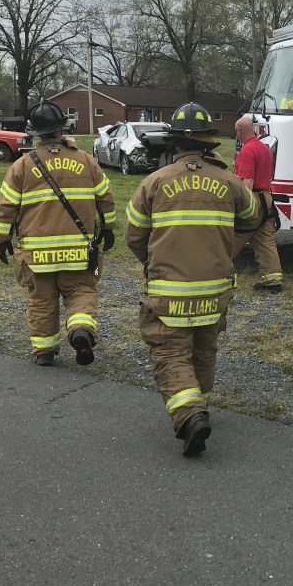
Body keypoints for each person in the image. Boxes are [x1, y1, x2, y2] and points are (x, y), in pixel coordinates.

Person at [124, 102, 260, 456]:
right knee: (204, 349)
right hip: (215, 291)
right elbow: (251, 218)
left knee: (170, 353)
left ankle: (190, 413)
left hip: (169, 290)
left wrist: (155, 262)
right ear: (207, 144)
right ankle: (200, 404)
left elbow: (134, 235)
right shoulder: (229, 182)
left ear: (175, 144)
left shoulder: (153, 183)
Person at [0, 100, 116, 366]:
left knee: (41, 301)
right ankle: (80, 330)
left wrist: (2, 239)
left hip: (37, 256)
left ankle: (45, 351)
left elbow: (6, 208)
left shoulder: (22, 166)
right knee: (81, 292)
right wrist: (108, 228)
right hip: (78, 253)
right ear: (62, 129)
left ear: (35, 133)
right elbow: (106, 198)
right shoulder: (86, 162)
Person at [231, 116, 283, 292]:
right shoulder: (264, 148)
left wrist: (240, 205)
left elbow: (248, 182)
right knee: (264, 238)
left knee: (235, 234)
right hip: (267, 196)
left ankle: (216, 271)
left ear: (239, 131)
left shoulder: (246, 151)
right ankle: (273, 279)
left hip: (253, 199)